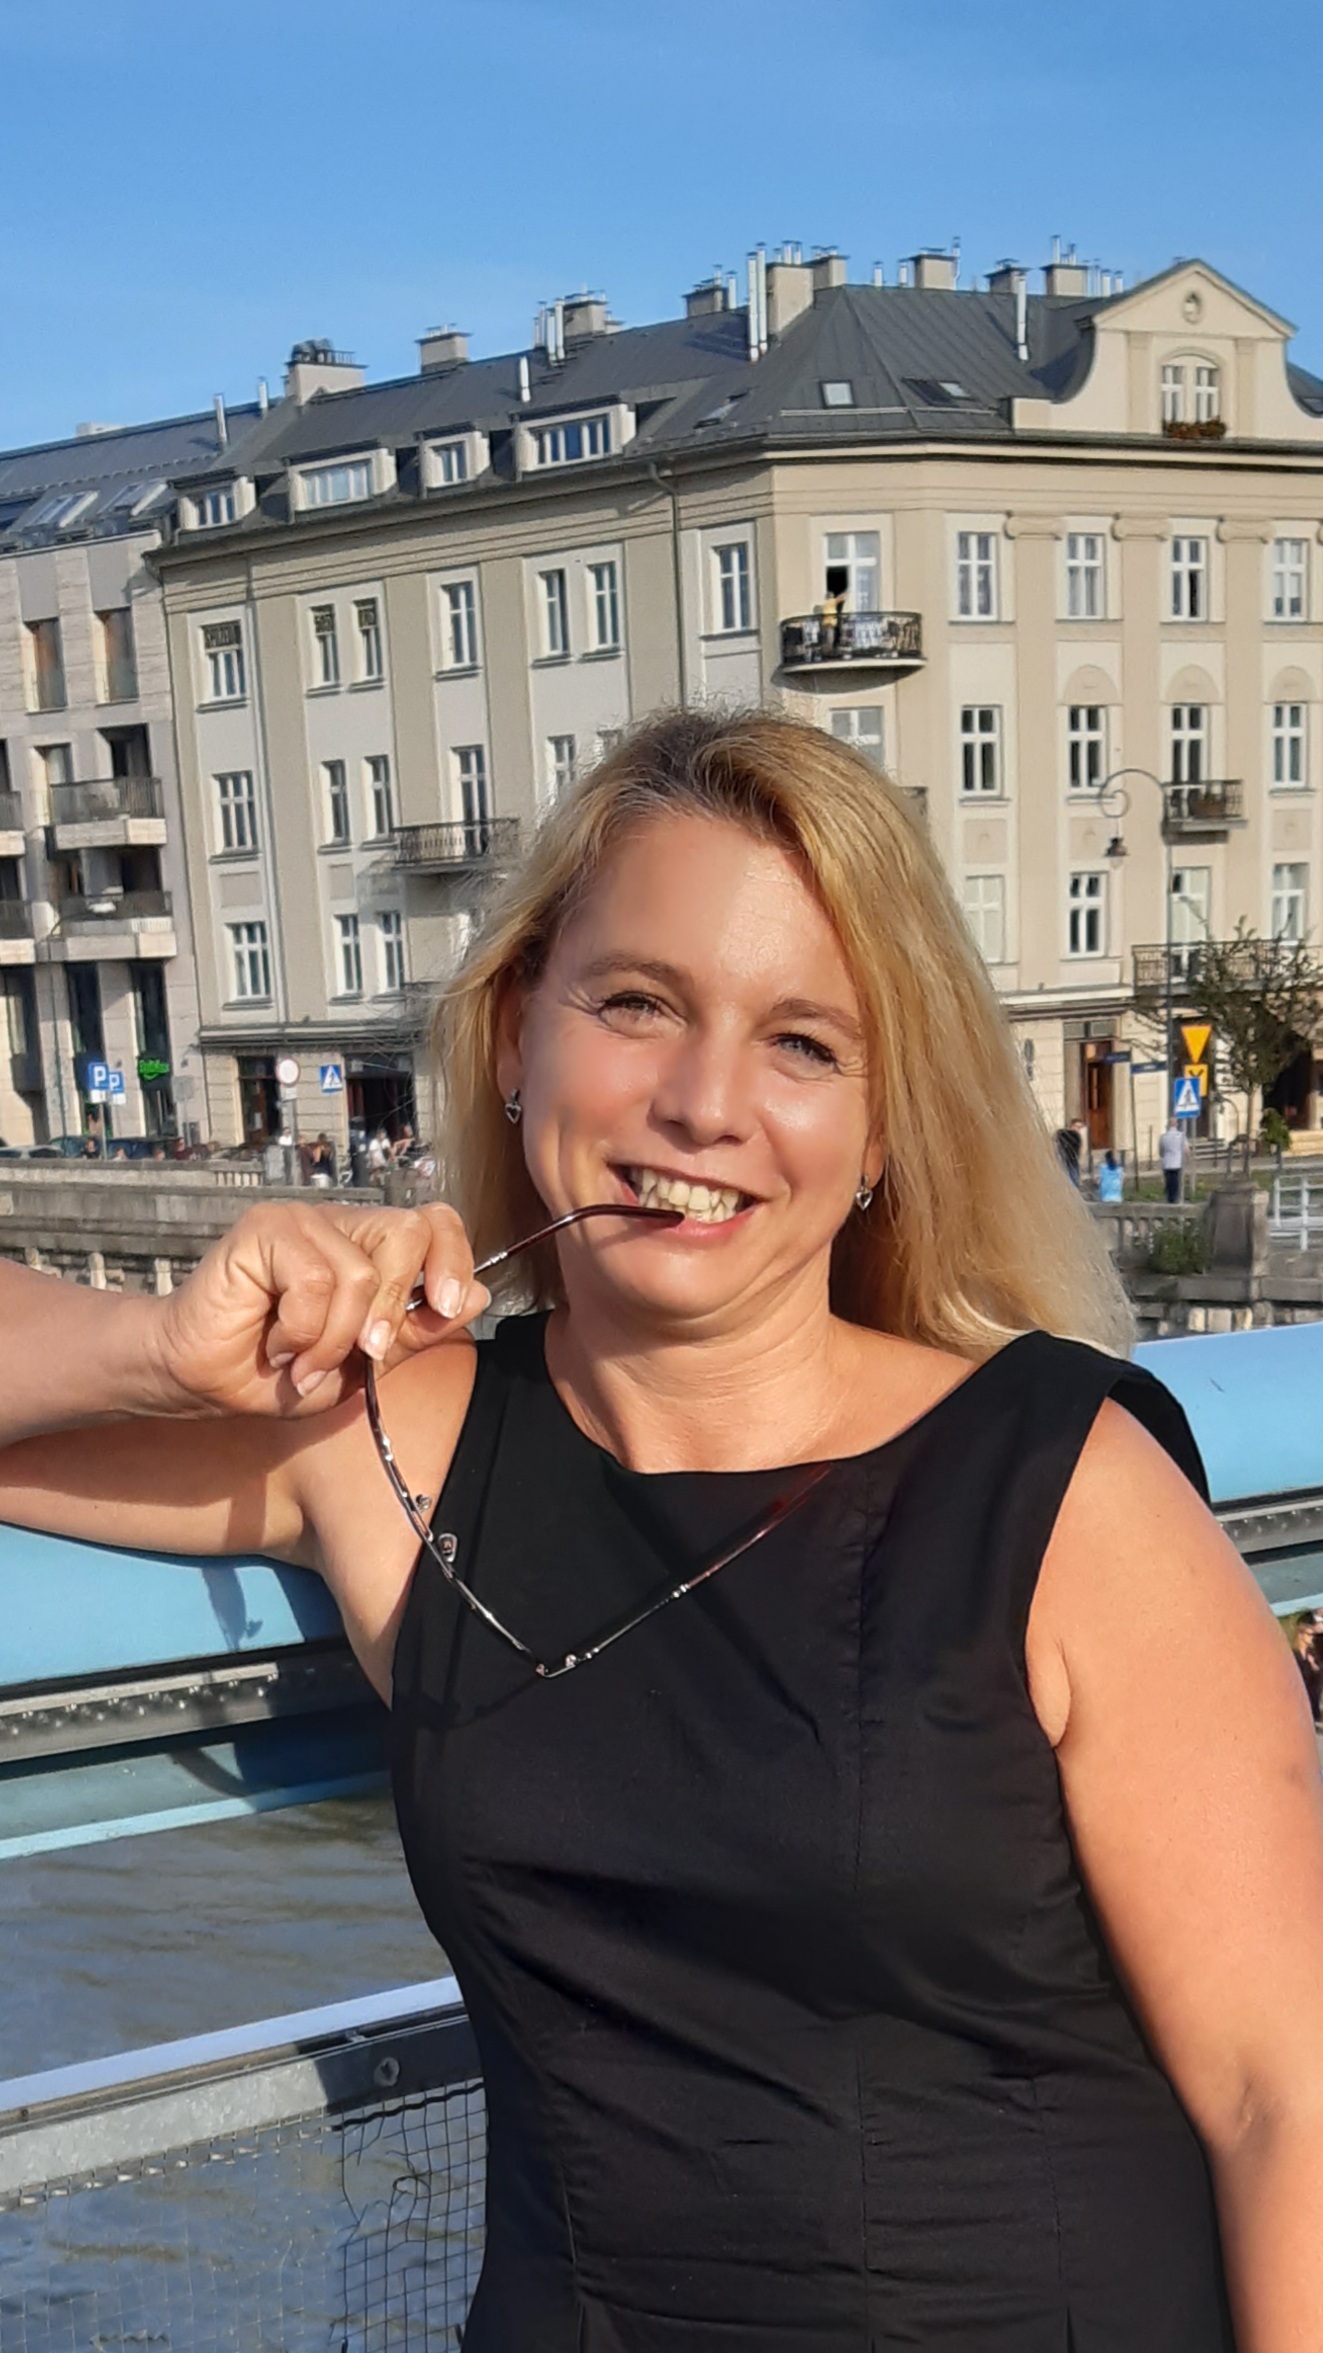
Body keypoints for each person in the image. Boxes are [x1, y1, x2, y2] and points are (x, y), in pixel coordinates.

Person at [0, 709, 1320, 2349]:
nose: (701, 1102)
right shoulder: (392, 1440)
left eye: (802, 1043)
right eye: (636, 1002)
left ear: (880, 1131)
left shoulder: (1058, 1490)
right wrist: (158, 1343)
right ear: (513, 1033)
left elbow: (1282, 2093)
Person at [1160, 1117, 1187, 1204]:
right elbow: (1186, 1149)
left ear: (1168, 1125)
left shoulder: (1164, 1137)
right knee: (1176, 1180)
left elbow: (1161, 1151)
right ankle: (1175, 1197)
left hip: (1167, 1162)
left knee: (1168, 1180)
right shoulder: (1181, 1136)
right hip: (1177, 1162)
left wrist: (1163, 1157)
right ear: (1176, 1124)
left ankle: (1169, 1197)